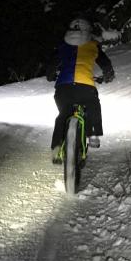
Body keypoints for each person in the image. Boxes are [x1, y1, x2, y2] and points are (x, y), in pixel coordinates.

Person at [47, 18, 114, 164]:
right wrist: (108, 76)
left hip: (63, 88)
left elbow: (51, 66)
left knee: (63, 114)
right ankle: (93, 134)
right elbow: (106, 65)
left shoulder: (63, 45)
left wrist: (51, 76)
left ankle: (56, 149)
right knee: (92, 104)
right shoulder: (93, 45)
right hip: (85, 87)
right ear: (88, 30)